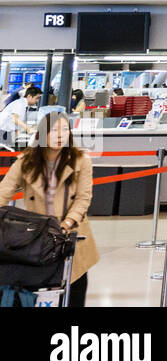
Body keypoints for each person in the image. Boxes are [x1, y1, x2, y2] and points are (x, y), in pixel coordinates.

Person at [0, 112, 98, 306]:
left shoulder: (81, 161)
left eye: (64, 129)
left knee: (73, 292)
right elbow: (4, 191)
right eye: (54, 130)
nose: (60, 135)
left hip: (71, 236)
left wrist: (67, 223)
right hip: (37, 237)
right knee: (36, 291)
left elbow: (83, 198)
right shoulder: (26, 161)